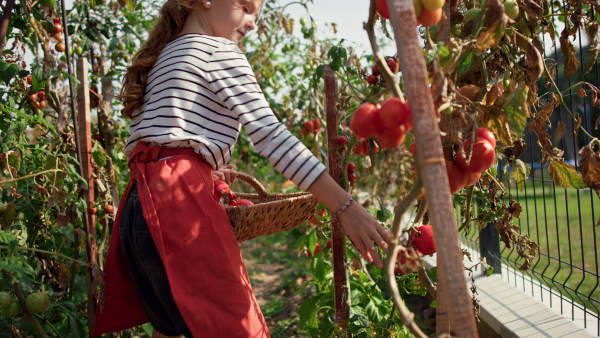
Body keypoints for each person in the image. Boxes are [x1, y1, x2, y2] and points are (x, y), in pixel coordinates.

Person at [91, 0, 391, 337]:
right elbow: (270, 136)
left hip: (138, 208)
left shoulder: (165, 55)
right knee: (236, 328)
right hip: (176, 209)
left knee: (171, 329)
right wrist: (344, 205)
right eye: (245, 7)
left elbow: (163, 141)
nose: (251, 23)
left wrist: (205, 168)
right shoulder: (218, 50)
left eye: (256, 15)